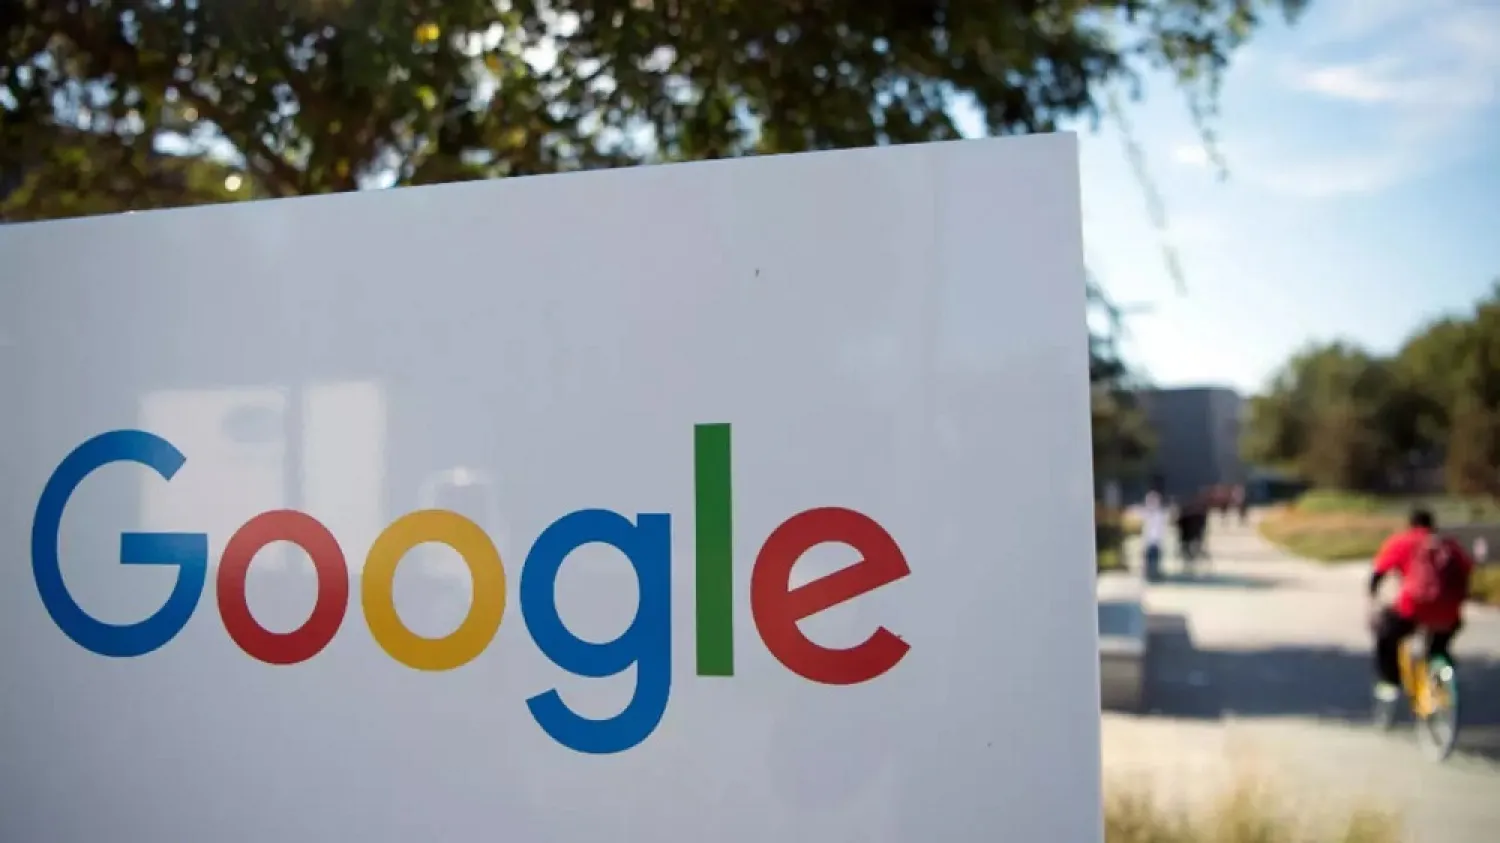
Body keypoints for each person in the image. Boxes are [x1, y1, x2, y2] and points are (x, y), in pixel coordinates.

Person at [1368, 507, 1475, 710]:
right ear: (1433, 525)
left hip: (1413, 608)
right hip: (1449, 611)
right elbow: (1467, 569)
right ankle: (1442, 673)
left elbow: (1379, 573)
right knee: (1439, 644)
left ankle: (1390, 683)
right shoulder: (1448, 544)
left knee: (1386, 636)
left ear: (1411, 524)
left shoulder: (1403, 542)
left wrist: (1373, 596)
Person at [1140, 491, 1166, 582]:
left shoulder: (1159, 514)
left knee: (1154, 559)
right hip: (1149, 541)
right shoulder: (1146, 514)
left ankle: (1153, 574)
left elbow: (1159, 530)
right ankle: (1149, 574)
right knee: (1149, 559)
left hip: (1156, 541)